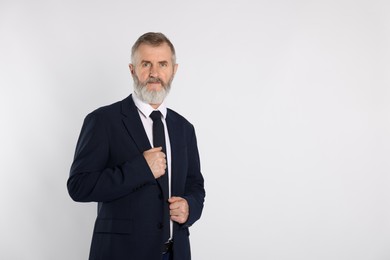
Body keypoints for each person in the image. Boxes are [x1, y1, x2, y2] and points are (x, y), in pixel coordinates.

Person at [67, 32, 205, 260]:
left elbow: (195, 185)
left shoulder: (184, 128)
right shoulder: (103, 120)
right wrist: (140, 168)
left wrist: (190, 207)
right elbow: (79, 186)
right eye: (146, 64)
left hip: (176, 253)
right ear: (132, 69)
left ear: (174, 70)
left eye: (162, 64)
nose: (154, 73)